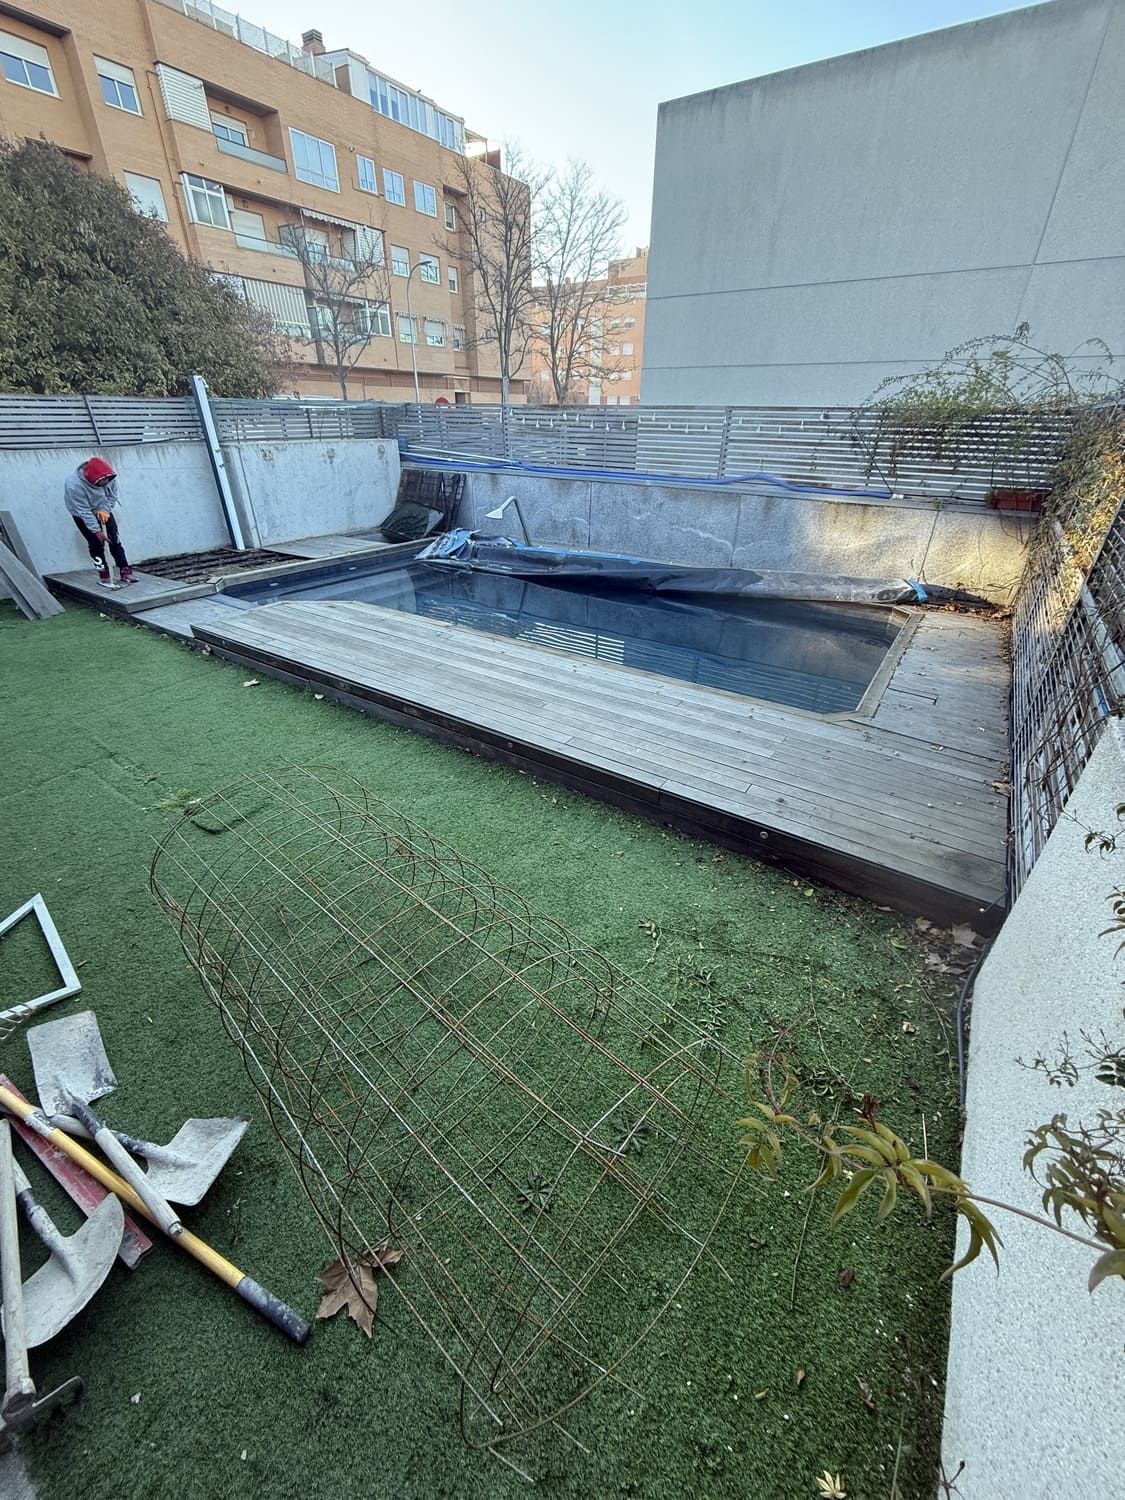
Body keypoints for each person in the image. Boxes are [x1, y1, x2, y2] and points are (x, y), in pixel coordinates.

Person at [64, 456, 136, 586]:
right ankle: (104, 573)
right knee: (95, 544)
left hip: (103, 509)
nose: (106, 483)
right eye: (103, 482)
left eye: (108, 480)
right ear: (93, 479)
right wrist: (97, 531)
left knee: (114, 540)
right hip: (82, 513)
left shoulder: (108, 477)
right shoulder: (74, 485)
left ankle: (125, 569)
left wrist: (105, 510)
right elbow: (83, 510)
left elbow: (112, 496)